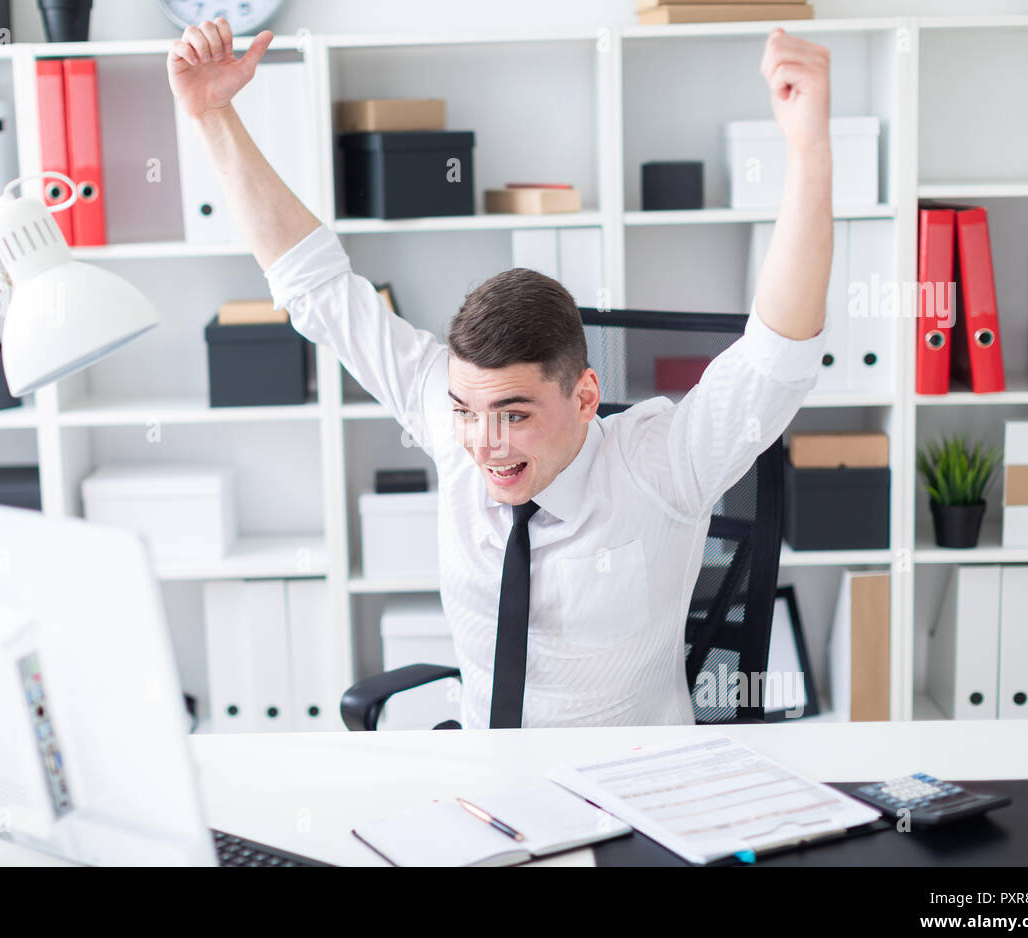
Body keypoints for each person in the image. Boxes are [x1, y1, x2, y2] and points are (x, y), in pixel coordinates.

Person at [168, 19, 833, 729]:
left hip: (633, 799)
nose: (484, 443)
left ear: (585, 397)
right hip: (488, 794)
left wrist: (808, 147)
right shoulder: (459, 428)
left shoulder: (660, 463)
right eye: (466, 411)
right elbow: (316, 289)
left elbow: (778, 353)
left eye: (514, 415)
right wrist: (214, 117)